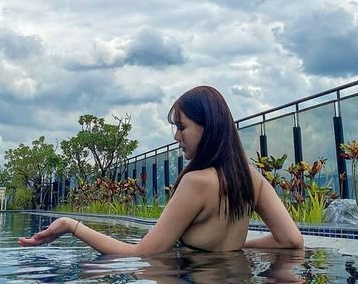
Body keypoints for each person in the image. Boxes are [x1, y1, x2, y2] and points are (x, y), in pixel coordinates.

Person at [18, 85, 304, 254]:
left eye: (182, 127)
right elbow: (291, 241)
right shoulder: (252, 178)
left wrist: (72, 226)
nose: (177, 136)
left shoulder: (196, 182)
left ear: (207, 127)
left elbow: (139, 254)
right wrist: (234, 249)